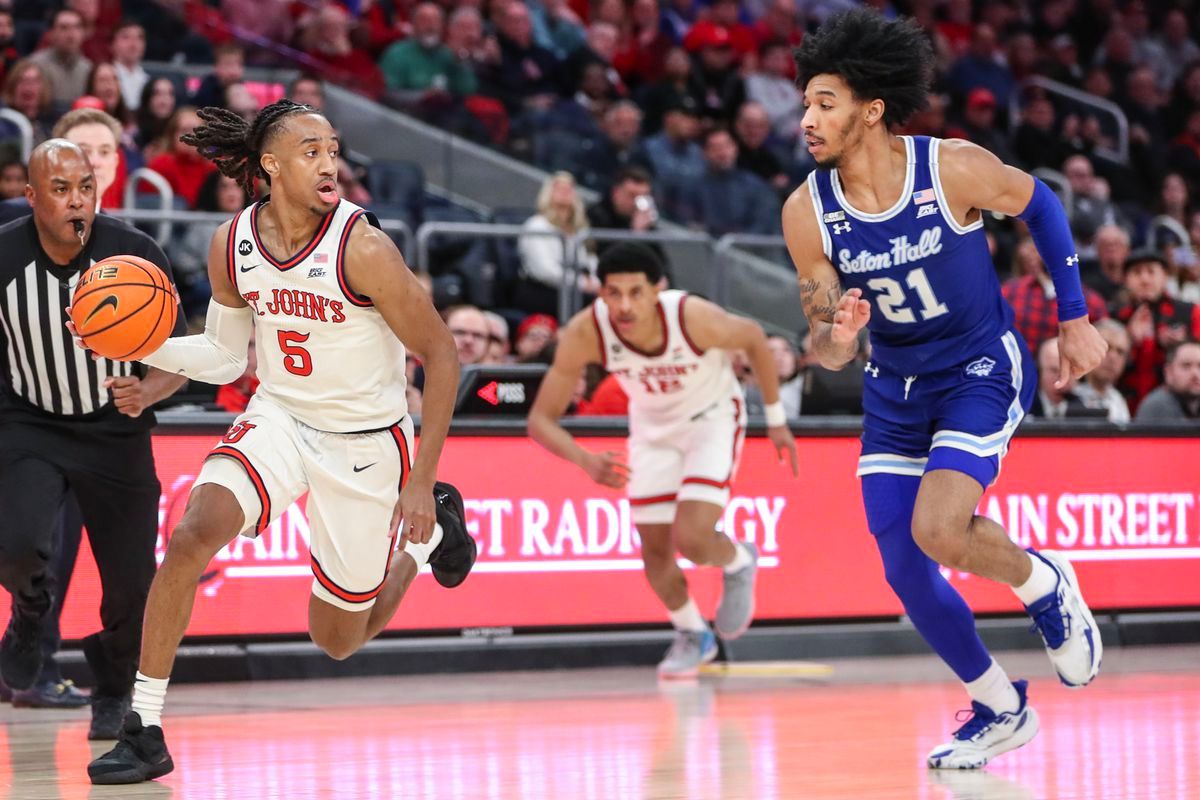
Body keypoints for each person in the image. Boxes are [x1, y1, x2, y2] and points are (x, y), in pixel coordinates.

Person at [86, 100, 476, 785]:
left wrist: (419, 482)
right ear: (270, 165)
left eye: (333, 149)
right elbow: (223, 355)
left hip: (363, 442)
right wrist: (145, 344)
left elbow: (442, 357)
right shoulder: (232, 242)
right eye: (311, 151)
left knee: (338, 641)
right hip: (281, 417)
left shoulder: (363, 247)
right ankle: (143, 726)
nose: (331, 162)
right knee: (190, 533)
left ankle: (421, 543)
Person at [782, 10, 1107, 771]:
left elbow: (1040, 204)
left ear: (869, 109)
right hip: (893, 386)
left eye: (824, 102)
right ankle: (999, 705)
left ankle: (1045, 582)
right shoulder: (808, 212)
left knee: (938, 526)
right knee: (902, 564)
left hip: (977, 370)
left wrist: (1076, 319)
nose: (807, 118)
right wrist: (840, 329)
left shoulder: (949, 166)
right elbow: (824, 344)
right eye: (804, 103)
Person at [528, 243, 798, 678]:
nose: (624, 305)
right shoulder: (586, 331)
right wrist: (586, 460)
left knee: (692, 538)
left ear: (659, 290)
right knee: (654, 551)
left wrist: (777, 418)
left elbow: (752, 337)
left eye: (636, 292)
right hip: (652, 429)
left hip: (711, 417)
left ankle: (738, 560)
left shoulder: (690, 317)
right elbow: (540, 419)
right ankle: (693, 632)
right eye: (613, 293)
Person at [0, 140, 187, 736]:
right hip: (30, 422)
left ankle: (112, 692)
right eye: (61, 190)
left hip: (114, 430)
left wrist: (150, 392)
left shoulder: (135, 253)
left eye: (85, 187)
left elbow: (180, 355)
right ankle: (30, 611)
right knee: (16, 541)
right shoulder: (2, 256)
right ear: (31, 198)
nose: (77, 200)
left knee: (131, 581)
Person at [516, 171, 597, 316]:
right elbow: (544, 271)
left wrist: (595, 282)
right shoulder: (537, 225)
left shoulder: (579, 228)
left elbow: (589, 261)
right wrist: (582, 284)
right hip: (541, 290)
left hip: (573, 288)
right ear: (548, 193)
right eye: (560, 188)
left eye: (570, 188)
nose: (566, 192)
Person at [1074, 318, 1131, 423]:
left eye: (1120, 352)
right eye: (1106, 347)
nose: (1113, 357)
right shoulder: (1067, 394)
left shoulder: (1118, 401)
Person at [1134, 341, 1200, 422]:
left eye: (1199, 366)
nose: (1195, 373)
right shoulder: (1157, 407)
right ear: (1168, 372)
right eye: (1186, 365)